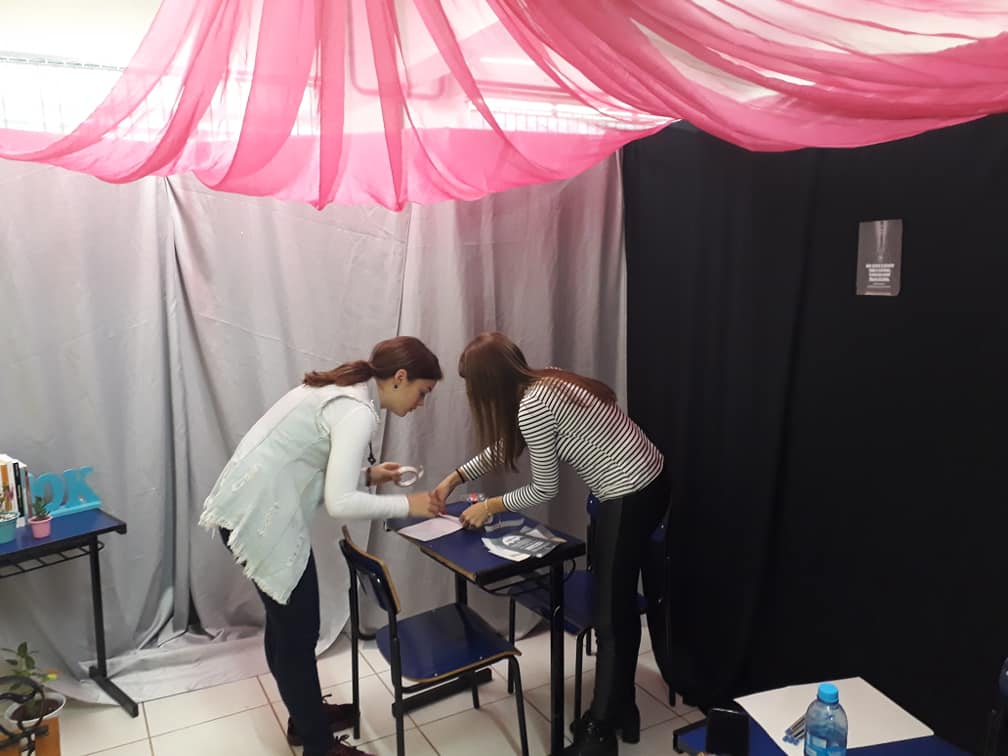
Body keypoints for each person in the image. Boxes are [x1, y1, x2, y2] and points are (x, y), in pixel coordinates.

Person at [200, 336, 444, 756]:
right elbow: (340, 502)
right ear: (400, 377)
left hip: (248, 510)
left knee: (287, 627)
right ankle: (318, 746)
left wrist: (370, 476)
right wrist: (410, 504)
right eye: (423, 392)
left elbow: (309, 462)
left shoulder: (342, 389)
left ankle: (305, 717)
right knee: (297, 633)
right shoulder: (357, 410)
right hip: (260, 518)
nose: (421, 403)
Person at [433, 332, 667, 756]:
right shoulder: (545, 381)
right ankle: (622, 708)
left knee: (609, 616)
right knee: (617, 606)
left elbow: (545, 488)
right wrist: (455, 477)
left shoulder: (533, 405)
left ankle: (598, 734)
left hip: (629, 493)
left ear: (488, 385)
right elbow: (510, 445)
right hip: (649, 480)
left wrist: (489, 506)